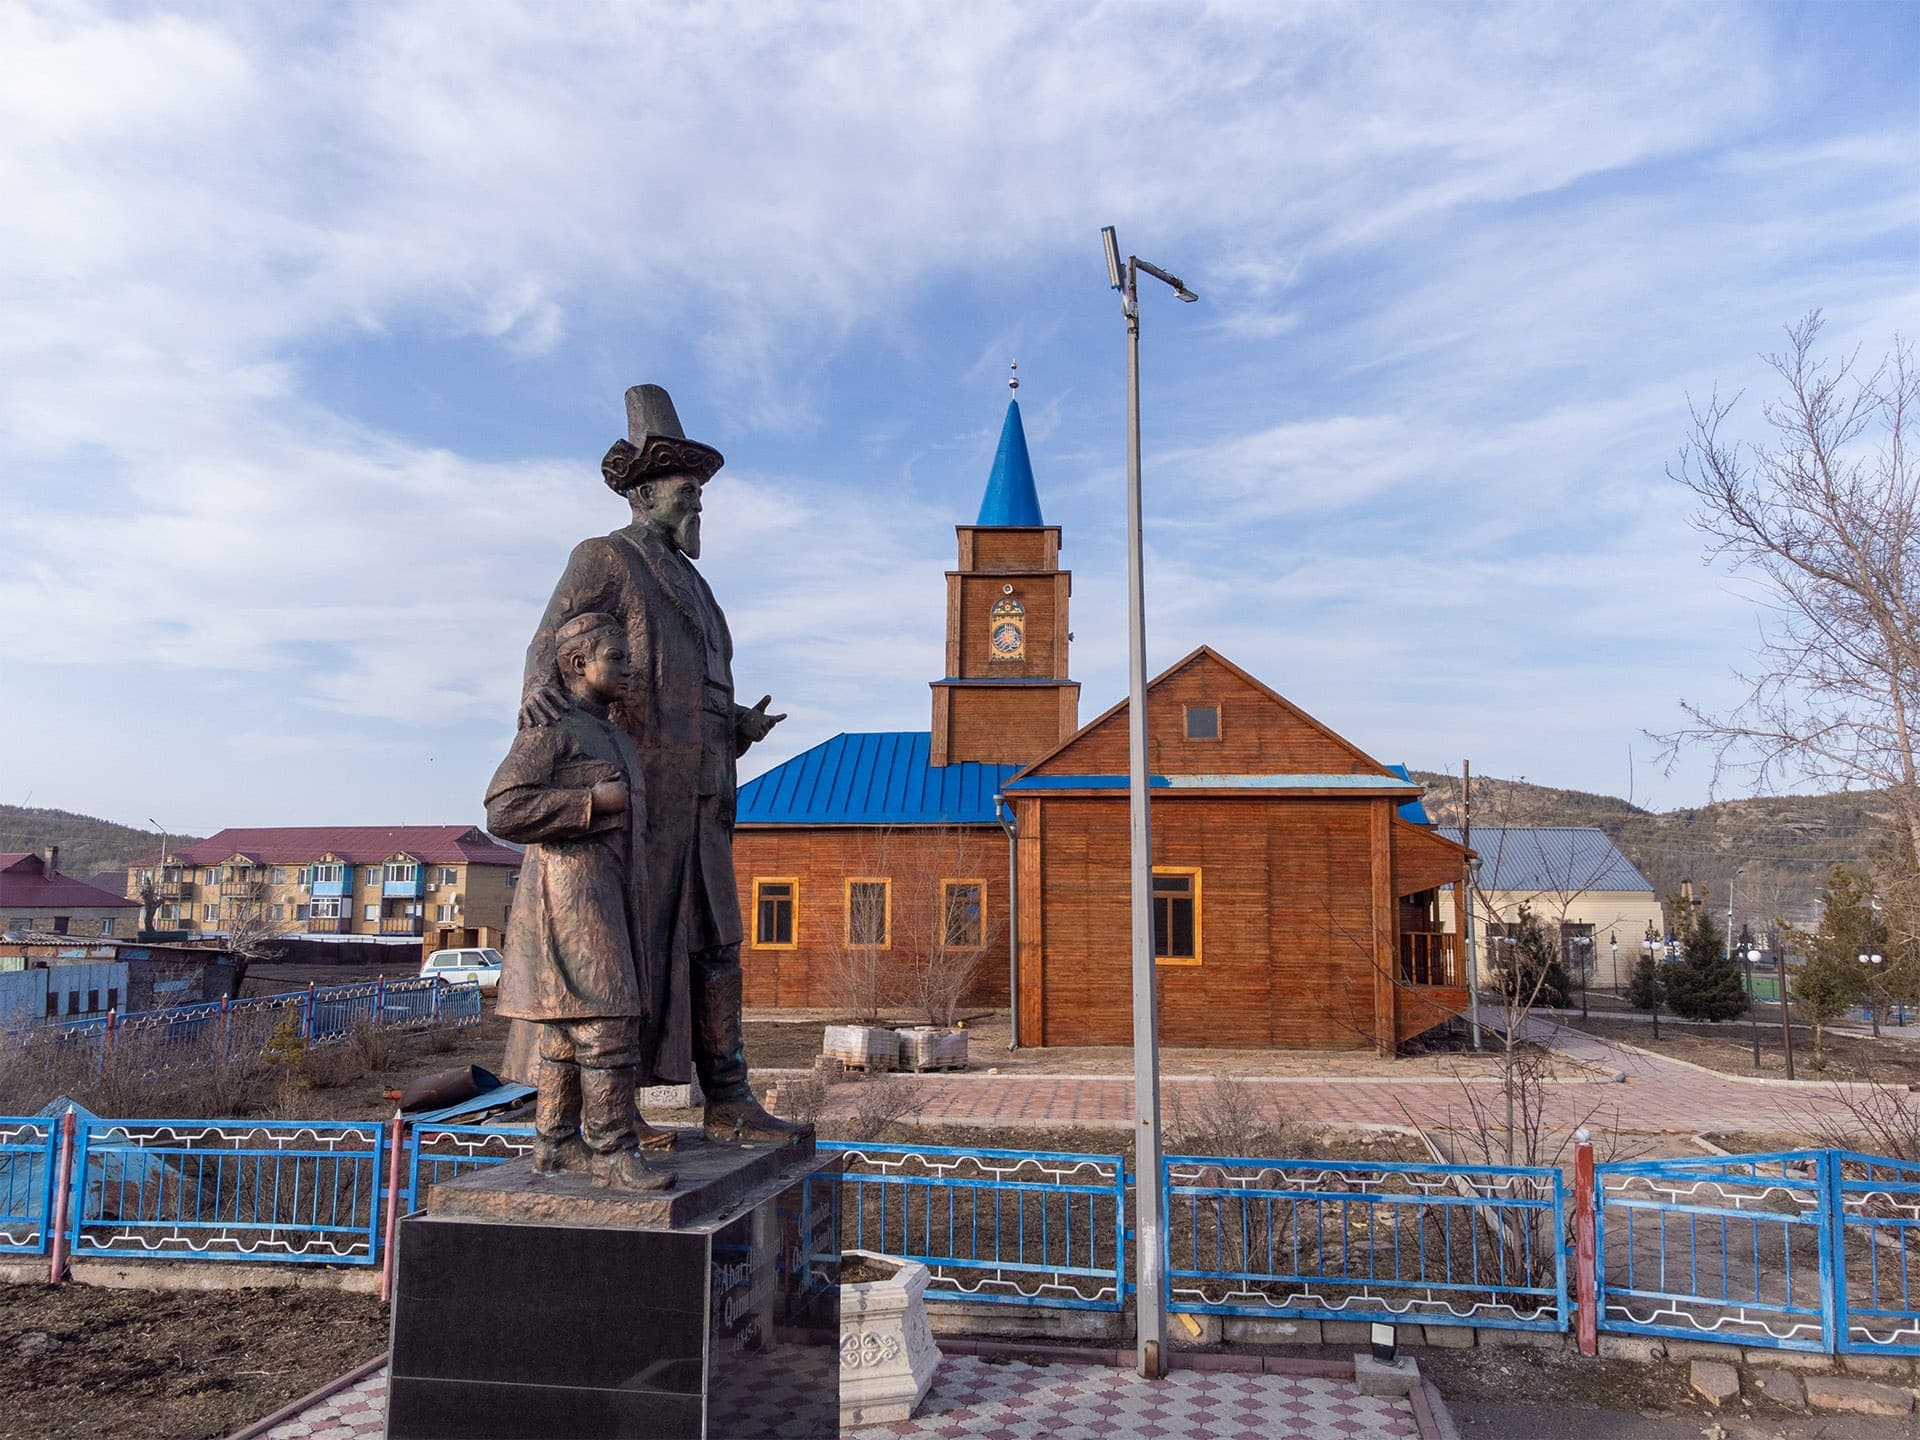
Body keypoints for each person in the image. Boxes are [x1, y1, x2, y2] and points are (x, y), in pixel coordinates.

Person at [514, 384, 810, 1146]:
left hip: (707, 791)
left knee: (718, 942)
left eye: (701, 495)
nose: (699, 507)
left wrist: (736, 726)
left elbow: (694, 685)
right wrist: (546, 715)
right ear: (646, 494)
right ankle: (612, 1115)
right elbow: (550, 644)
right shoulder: (606, 557)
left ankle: (729, 1095)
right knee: (627, 946)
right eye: (687, 493)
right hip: (639, 786)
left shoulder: (698, 586)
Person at [487, 612, 672, 1190]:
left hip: (612, 887)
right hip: (570, 893)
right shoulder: (553, 727)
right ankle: (613, 1149)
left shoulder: (611, 731)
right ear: (576, 664)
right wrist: (591, 802)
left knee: (568, 1028)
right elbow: (504, 809)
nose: (628, 666)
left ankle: (555, 1143)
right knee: (605, 1016)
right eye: (616, 657)